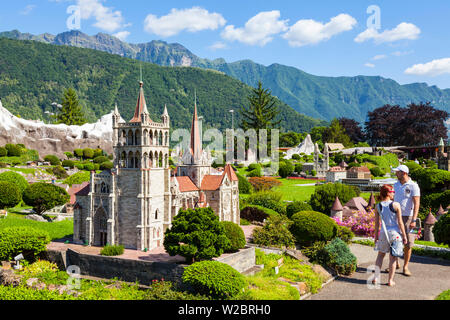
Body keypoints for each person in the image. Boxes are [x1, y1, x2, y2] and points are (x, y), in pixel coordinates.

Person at [374, 185, 408, 287]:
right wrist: (404, 236)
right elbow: (400, 222)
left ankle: (375, 278)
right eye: (392, 191)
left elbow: (376, 224)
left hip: (383, 233)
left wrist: (376, 237)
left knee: (380, 256)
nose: (394, 193)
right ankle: (390, 280)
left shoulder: (378, 206)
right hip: (395, 234)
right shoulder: (396, 205)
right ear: (388, 193)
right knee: (392, 258)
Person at [392, 164, 420, 276]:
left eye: (397, 172)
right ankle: (395, 263)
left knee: (408, 242)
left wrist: (414, 220)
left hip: (409, 217)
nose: (395, 173)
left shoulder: (413, 186)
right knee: (395, 240)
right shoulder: (396, 185)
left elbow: (417, 204)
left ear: (404, 173)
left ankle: (406, 266)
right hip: (395, 216)